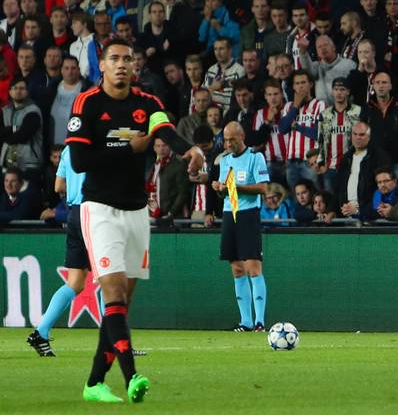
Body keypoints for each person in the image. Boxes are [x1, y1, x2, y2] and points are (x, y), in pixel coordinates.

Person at [65, 38, 204, 403]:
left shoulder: (148, 103)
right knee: (110, 293)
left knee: (121, 304)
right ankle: (132, 376)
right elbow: (79, 161)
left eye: (128, 59)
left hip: (137, 212)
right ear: (103, 65)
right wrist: (129, 148)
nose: (123, 64)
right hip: (100, 210)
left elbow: (164, 131)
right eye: (115, 59)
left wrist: (188, 149)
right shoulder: (88, 103)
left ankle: (94, 383)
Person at [26, 145, 87, 357]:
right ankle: (119, 341)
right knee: (112, 277)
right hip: (96, 214)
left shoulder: (70, 149)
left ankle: (41, 332)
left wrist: (76, 187)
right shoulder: (101, 144)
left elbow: (58, 185)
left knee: (75, 283)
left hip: (74, 215)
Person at [211, 121, 270, 332]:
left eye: (232, 140)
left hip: (248, 215)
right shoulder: (225, 161)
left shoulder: (255, 157)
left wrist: (235, 187)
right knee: (236, 268)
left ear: (242, 137)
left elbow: (263, 187)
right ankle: (245, 321)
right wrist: (218, 187)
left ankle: (260, 321)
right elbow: (224, 190)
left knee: (253, 267)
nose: (228, 144)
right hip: (230, 214)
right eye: (225, 140)